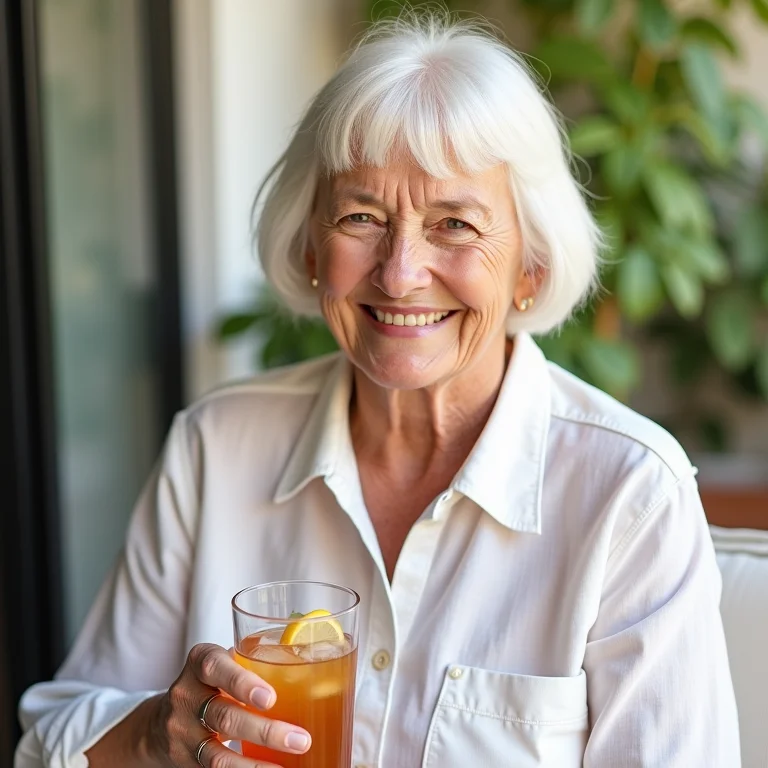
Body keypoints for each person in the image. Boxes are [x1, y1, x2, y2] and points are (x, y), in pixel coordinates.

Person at [16, 12, 740, 768]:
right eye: (361, 216)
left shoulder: (628, 494)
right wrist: (152, 735)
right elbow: (46, 743)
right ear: (309, 244)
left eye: (454, 224)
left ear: (530, 266)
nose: (399, 273)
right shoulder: (216, 446)